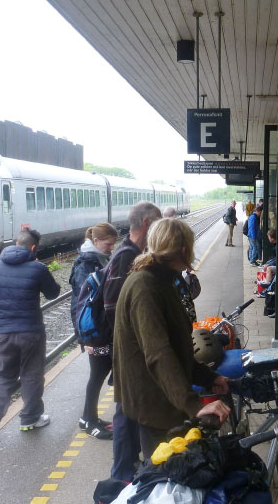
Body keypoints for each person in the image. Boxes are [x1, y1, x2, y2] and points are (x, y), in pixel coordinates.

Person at [113, 217, 231, 458]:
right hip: (155, 403)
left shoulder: (160, 279)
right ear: (185, 249)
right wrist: (194, 405)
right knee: (166, 475)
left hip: (163, 397)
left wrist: (208, 376)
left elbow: (177, 346)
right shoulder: (145, 286)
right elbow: (159, 353)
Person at [0, 229, 61, 439]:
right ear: (34, 247)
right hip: (31, 332)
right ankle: (30, 418)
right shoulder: (38, 268)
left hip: (4, 333)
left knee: (2, 374)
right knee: (32, 374)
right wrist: (43, 270)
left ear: (16, 243)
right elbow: (53, 293)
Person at [105, 202, 163, 479]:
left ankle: (128, 468)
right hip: (127, 353)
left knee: (132, 411)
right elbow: (111, 307)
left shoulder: (136, 253)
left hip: (134, 352)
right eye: (157, 223)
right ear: (146, 223)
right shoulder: (124, 256)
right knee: (125, 413)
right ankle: (120, 475)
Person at [68, 222, 118, 440]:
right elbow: (85, 304)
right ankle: (88, 420)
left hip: (100, 330)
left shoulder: (98, 259)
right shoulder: (85, 265)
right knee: (97, 373)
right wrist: (85, 339)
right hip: (93, 334)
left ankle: (89, 417)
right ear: (96, 242)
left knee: (100, 372)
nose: (111, 248)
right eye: (108, 244)